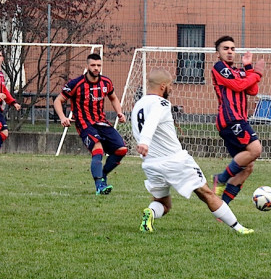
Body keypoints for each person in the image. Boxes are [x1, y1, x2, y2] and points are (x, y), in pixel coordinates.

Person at [132, 68, 253, 234]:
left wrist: (145, 144)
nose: (172, 88)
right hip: (174, 160)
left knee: (164, 203)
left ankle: (151, 213)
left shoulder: (138, 105)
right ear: (162, 86)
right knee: (206, 193)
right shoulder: (161, 103)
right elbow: (152, 121)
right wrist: (145, 142)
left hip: (151, 164)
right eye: (170, 85)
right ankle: (239, 228)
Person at [53, 53, 128, 195]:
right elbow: (58, 100)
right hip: (84, 123)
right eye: (93, 65)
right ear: (87, 66)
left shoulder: (106, 82)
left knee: (122, 149)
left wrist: (119, 112)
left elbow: (113, 98)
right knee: (98, 149)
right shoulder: (75, 84)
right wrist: (63, 117)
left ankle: (103, 174)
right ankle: (99, 185)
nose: (96, 68)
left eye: (98, 65)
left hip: (102, 122)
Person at [210, 36, 265, 205]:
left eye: (232, 49)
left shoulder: (240, 71)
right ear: (218, 53)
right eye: (225, 48)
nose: (230, 52)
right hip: (230, 119)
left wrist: (248, 67)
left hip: (240, 120)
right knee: (255, 149)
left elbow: (253, 90)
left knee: (247, 167)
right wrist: (256, 73)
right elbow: (239, 86)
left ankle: (222, 207)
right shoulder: (219, 67)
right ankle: (221, 178)